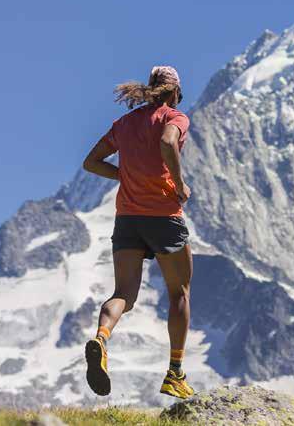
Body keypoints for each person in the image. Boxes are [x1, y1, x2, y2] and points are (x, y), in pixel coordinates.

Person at [81, 66, 194, 399]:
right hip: (163, 216)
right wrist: (179, 183)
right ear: (175, 93)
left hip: (128, 217)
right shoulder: (175, 117)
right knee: (179, 294)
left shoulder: (124, 123)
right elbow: (167, 141)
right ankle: (175, 374)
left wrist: (126, 176)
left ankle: (101, 338)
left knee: (124, 294)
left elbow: (91, 162)